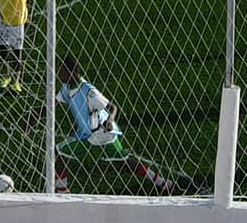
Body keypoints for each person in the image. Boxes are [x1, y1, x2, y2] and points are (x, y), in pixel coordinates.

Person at [55, 54, 178, 195]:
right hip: (90, 137)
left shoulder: (89, 91)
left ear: (72, 72)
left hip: (102, 136)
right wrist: (33, 118)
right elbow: (53, 104)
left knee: (57, 152)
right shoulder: (66, 88)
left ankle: (62, 192)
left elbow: (112, 107)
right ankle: (164, 183)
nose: (59, 74)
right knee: (123, 161)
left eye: (62, 71)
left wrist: (110, 120)